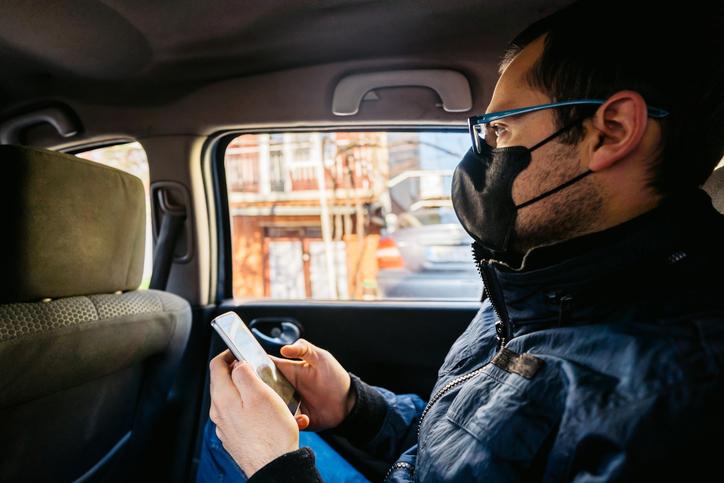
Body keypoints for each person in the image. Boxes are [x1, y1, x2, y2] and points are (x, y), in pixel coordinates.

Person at [200, 0, 724, 481]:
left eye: (502, 128)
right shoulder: (537, 280)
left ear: (609, 130)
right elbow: (453, 457)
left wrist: (276, 468)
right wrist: (356, 407)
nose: (482, 155)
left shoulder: (675, 404)